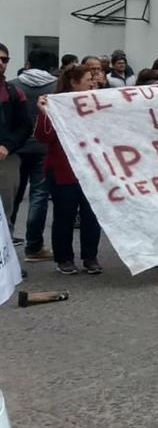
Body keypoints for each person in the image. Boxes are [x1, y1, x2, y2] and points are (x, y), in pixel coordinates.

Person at [35, 64, 103, 275]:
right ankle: (64, 258)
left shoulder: (98, 103)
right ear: (74, 83)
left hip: (92, 169)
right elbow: (43, 136)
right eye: (88, 79)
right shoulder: (55, 104)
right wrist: (45, 113)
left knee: (92, 215)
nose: (93, 82)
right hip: (64, 170)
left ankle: (90, 257)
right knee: (65, 215)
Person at [13, 49, 56, 261]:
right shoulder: (57, 87)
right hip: (43, 148)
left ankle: (7, 247)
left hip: (16, 149)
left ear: (28, 63)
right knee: (39, 197)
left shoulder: (12, 85)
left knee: (12, 198)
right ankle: (34, 247)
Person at [0, 42, 33, 245]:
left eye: (4, 59)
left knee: (5, 212)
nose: (1, 63)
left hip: (6, 160)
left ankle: (6, 265)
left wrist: (7, 146)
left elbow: (24, 127)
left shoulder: (14, 91)